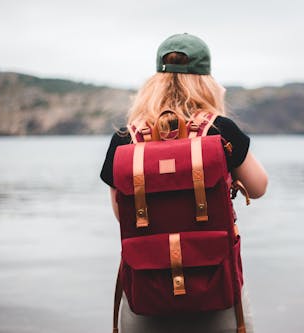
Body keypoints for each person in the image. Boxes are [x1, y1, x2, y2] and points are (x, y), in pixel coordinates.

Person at [100, 33, 267, 333]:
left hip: (145, 296)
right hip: (217, 291)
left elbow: (119, 212)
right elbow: (258, 187)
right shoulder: (220, 130)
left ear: (154, 81)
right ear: (207, 80)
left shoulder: (126, 139)